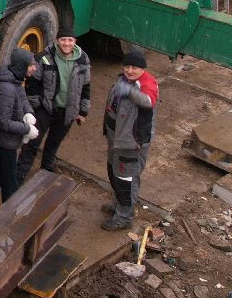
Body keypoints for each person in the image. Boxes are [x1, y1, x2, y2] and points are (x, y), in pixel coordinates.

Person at [17, 29, 92, 181]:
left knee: (54, 143)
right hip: (45, 110)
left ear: (75, 42)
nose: (67, 43)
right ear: (57, 41)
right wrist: (38, 108)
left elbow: (86, 86)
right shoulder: (44, 57)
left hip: (68, 112)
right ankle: (19, 175)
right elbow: (32, 84)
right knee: (32, 142)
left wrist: (83, 111)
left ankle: (46, 169)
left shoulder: (83, 59)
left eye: (70, 40)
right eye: (63, 40)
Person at [102, 47, 158, 231]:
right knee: (114, 172)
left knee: (126, 180)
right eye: (127, 66)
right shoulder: (125, 80)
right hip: (116, 138)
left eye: (134, 67)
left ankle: (124, 217)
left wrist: (129, 92)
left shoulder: (146, 84)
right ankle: (119, 204)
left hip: (131, 143)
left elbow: (148, 101)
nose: (129, 70)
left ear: (143, 68)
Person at [0, 48, 39, 217]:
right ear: (22, 66)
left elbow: (23, 99)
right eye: (31, 65)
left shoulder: (15, 80)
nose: (34, 68)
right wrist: (27, 129)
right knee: (10, 183)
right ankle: (11, 218)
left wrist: (28, 113)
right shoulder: (6, 89)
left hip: (7, 140)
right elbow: (2, 121)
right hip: (4, 143)